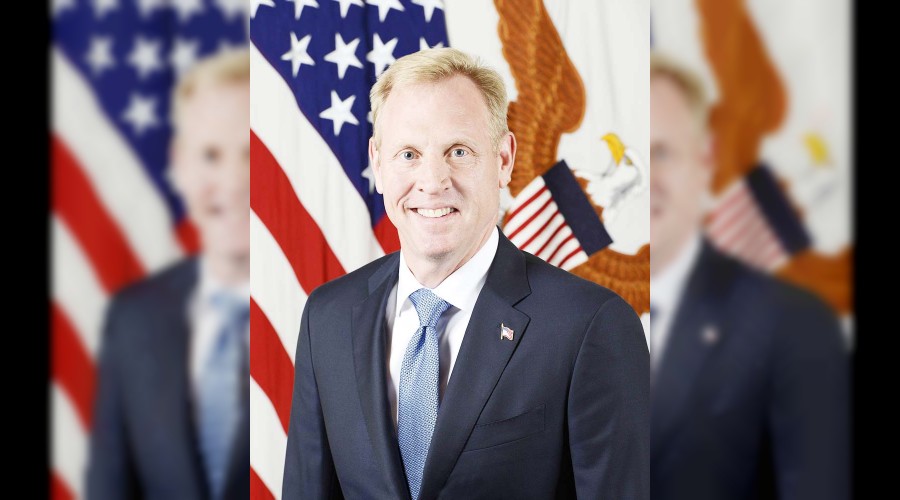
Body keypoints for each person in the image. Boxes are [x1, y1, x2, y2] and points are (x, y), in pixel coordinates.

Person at [281, 47, 649, 499]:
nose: (433, 181)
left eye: (458, 151)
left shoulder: (591, 326)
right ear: (378, 162)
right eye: (409, 154)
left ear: (504, 159)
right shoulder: (328, 318)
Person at [648, 52, 850, 500]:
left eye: (661, 152)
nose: (646, 179)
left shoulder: (794, 324)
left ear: (705, 160)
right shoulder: (575, 320)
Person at [86, 48, 250, 500]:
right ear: (180, 165)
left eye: (250, 154)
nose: (233, 181)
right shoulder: (133, 318)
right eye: (211, 155)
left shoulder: (325, 318)